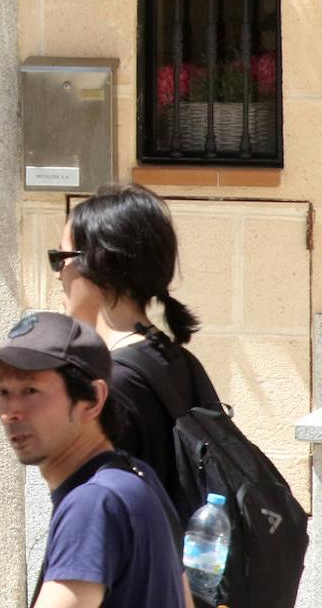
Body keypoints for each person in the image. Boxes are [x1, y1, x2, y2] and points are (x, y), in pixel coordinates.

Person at [0, 311, 190, 608]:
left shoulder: (93, 503)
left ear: (93, 399)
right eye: (4, 392)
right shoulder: (135, 476)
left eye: (30, 390)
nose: (10, 411)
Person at [50, 183, 213, 522]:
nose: (57, 274)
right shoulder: (177, 360)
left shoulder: (110, 385)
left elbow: (96, 521)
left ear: (99, 267)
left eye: (61, 258)